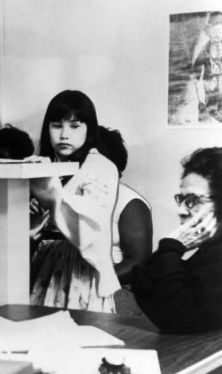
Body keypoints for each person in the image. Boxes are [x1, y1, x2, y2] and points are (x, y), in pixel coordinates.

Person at [30, 90, 120, 313]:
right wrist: (33, 211)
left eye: (74, 126)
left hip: (81, 266)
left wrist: (48, 193)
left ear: (89, 128)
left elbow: (86, 231)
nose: (64, 134)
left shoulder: (101, 167)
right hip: (45, 261)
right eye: (57, 125)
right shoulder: (45, 165)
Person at [132, 148, 221, 333]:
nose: (180, 210)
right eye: (181, 199)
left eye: (193, 200)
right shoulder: (210, 250)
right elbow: (141, 283)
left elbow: (181, 316)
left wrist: (170, 248)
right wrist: (171, 247)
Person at [97, 126, 153, 316]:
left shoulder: (129, 203)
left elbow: (138, 262)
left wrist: (93, 282)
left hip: (116, 293)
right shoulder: (68, 196)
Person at [192, 12, 222, 123]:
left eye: (220, 31)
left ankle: (220, 108)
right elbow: (198, 65)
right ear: (209, 33)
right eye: (214, 32)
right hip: (210, 81)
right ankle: (211, 109)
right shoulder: (205, 50)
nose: (218, 34)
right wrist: (196, 75)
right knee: (212, 94)